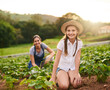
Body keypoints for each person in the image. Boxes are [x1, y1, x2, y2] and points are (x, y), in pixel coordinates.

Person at [50, 20, 83, 89]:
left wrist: (76, 73)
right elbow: (56, 60)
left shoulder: (79, 43)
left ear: (77, 32)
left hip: (72, 68)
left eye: (73, 30)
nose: (71, 33)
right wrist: (52, 77)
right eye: (68, 30)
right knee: (64, 86)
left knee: (77, 84)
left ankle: (68, 77)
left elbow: (77, 59)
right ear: (66, 32)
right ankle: (59, 78)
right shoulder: (62, 43)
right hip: (62, 68)